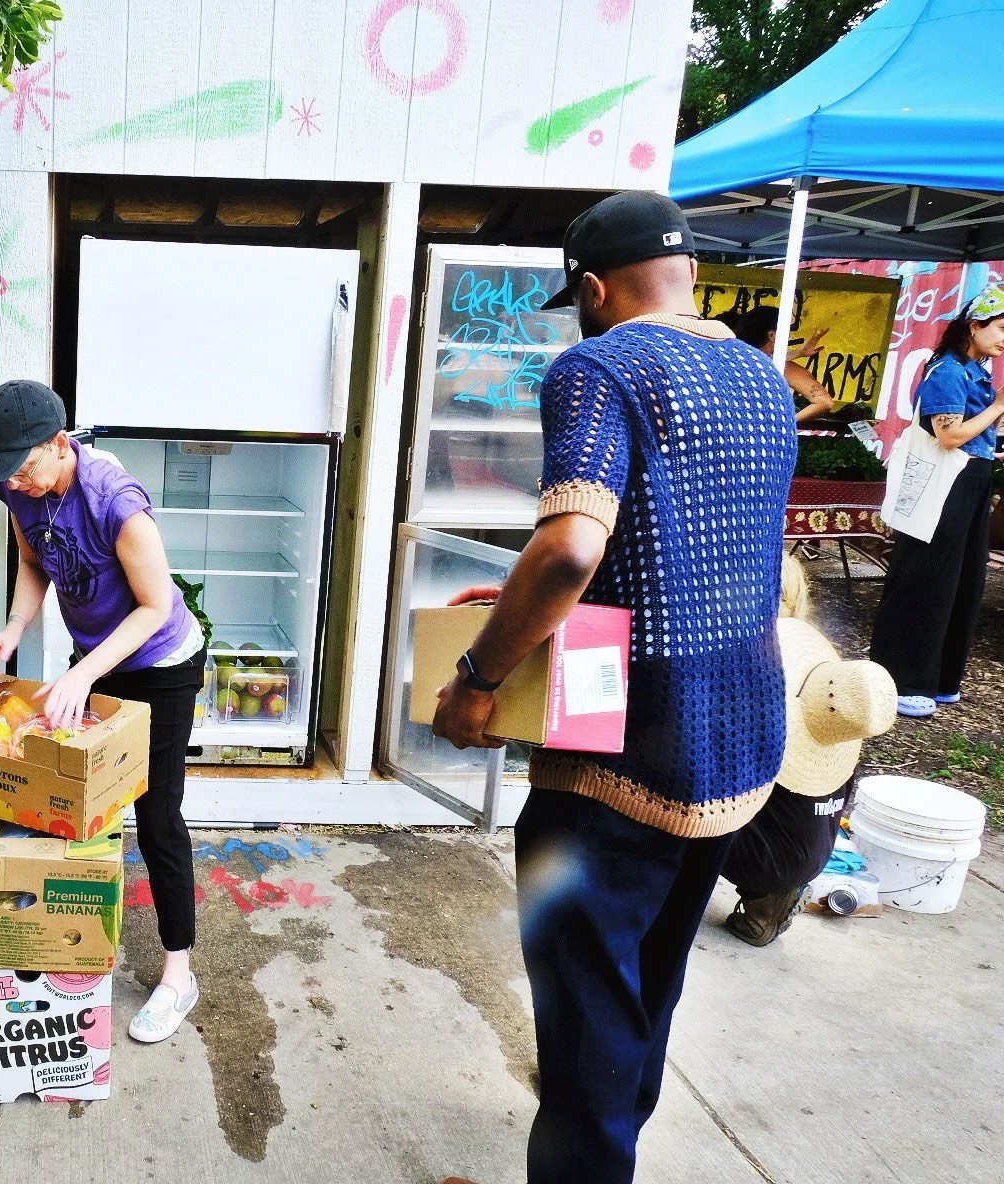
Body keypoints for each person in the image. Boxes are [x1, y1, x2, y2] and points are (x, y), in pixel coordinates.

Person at [430, 191, 796, 1184]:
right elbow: (671, 550)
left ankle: (589, 1161)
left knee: (585, 1002)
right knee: (647, 984)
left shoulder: (600, 365)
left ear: (593, 288)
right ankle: (612, 1139)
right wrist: (517, 598)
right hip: (739, 737)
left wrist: (478, 677)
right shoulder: (763, 377)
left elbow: (569, 552)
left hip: (624, 751)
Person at [0, 380, 205, 1044]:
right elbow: (32, 562)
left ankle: (178, 974)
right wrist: (14, 628)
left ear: (59, 443)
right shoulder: (21, 488)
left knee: (157, 815)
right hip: (95, 660)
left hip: (159, 663)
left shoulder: (116, 504)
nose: (17, 480)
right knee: (74, 795)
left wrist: (83, 670)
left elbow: (155, 606)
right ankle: (63, 941)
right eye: (7, 470)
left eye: (26, 466)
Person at [722, 598, 895, 947]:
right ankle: (769, 895)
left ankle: (759, 894)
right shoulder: (839, 744)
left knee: (698, 808)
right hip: (815, 854)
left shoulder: (777, 742)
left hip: (768, 862)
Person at [869, 287, 1004, 718]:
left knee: (963, 580)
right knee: (927, 578)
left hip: (969, 481)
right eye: (1002, 327)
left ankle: (942, 676)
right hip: (945, 485)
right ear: (975, 325)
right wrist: (1000, 406)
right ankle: (901, 678)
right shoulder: (948, 370)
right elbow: (949, 435)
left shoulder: (972, 370)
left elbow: (971, 436)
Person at [733, 306, 838, 423]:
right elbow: (825, 402)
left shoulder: (732, 359)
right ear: (772, 335)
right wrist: (784, 424)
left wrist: (798, 353)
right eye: (786, 333)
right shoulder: (780, 367)